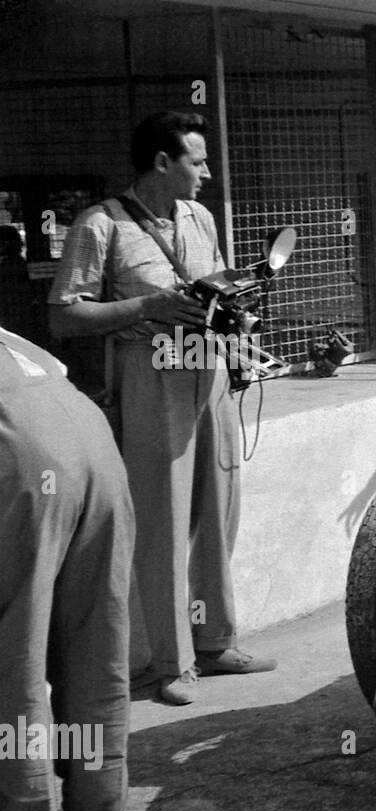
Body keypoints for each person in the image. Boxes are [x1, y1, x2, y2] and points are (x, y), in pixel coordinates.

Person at [48, 111, 275, 707]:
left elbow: (211, 284)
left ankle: (216, 640)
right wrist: (144, 307)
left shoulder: (199, 217)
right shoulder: (101, 225)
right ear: (162, 164)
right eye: (196, 161)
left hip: (213, 375)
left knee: (219, 511)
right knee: (165, 522)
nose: (206, 173)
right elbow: (63, 315)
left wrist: (239, 313)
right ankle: (170, 662)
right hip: (153, 383)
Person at [0, 326, 133, 811]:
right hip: (91, 442)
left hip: (21, 454)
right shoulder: (11, 340)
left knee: (15, 651)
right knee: (94, 638)